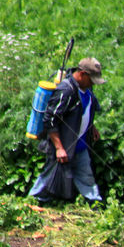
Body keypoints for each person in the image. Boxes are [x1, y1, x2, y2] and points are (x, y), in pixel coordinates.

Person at [28, 57, 106, 204]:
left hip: (80, 144)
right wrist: (59, 148)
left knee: (86, 177)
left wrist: (91, 126)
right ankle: (32, 202)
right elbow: (50, 119)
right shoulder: (66, 90)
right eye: (91, 79)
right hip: (64, 145)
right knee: (49, 175)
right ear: (82, 74)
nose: (93, 83)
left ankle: (95, 204)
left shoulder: (87, 89)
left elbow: (83, 110)